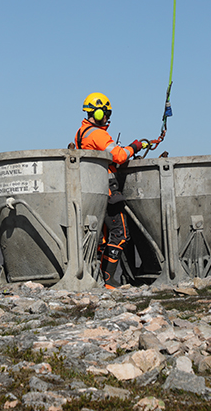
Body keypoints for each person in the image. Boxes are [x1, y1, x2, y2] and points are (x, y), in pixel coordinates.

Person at [75, 92, 146, 289]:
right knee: (120, 232)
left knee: (101, 236)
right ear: (98, 113)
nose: (107, 118)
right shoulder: (98, 134)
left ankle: (97, 277)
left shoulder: (81, 133)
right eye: (106, 113)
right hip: (106, 190)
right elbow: (119, 156)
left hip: (93, 190)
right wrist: (135, 146)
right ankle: (108, 279)